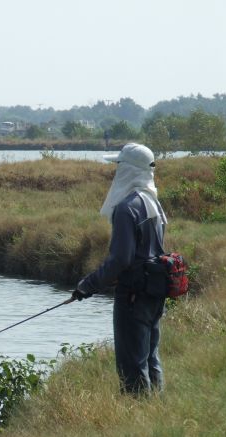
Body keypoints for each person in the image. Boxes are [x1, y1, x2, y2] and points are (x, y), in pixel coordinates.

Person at [70, 143, 168, 395]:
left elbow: (120, 260)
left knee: (131, 365)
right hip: (155, 292)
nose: (115, 172)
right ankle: (156, 409)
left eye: (118, 166)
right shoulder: (153, 202)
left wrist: (87, 285)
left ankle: (138, 418)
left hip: (133, 296)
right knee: (149, 357)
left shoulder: (126, 209)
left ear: (128, 170)